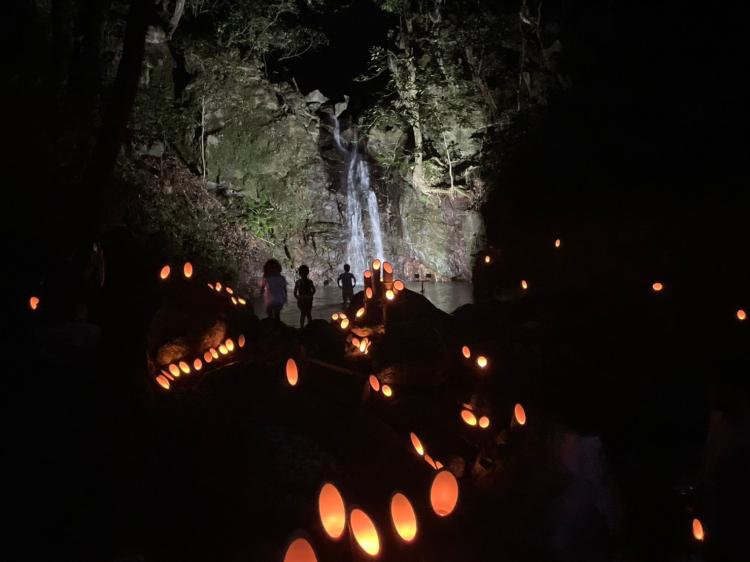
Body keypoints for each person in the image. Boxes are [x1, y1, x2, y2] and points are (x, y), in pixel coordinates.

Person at [293, 264, 316, 328]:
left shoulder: (298, 282)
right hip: (306, 300)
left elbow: (294, 293)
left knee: (303, 314)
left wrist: (298, 298)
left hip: (302, 301)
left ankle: (302, 328)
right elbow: (314, 290)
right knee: (308, 314)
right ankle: (309, 328)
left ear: (299, 273)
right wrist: (310, 296)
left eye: (303, 272)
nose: (303, 274)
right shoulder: (309, 281)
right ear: (308, 272)